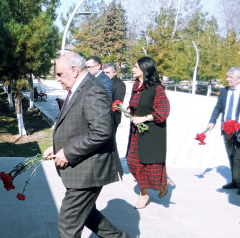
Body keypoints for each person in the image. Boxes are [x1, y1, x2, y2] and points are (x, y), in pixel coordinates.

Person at [42, 52, 127, 237]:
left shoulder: (93, 89)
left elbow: (102, 132)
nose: (57, 79)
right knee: (87, 214)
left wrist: (68, 153)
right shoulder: (80, 88)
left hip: (89, 170)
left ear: (74, 70)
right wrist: (58, 148)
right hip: (83, 168)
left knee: (68, 224)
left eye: (59, 74)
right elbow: (80, 127)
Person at [126, 56, 170, 209]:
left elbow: (163, 112)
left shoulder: (157, 88)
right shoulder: (136, 85)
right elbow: (135, 104)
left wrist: (143, 118)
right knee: (132, 162)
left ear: (144, 69)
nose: (132, 69)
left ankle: (144, 194)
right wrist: (128, 111)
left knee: (149, 165)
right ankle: (160, 182)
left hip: (152, 132)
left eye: (135, 67)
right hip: (136, 132)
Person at [208, 67, 240, 194]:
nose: (227, 79)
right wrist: (212, 121)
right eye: (227, 77)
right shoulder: (224, 91)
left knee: (238, 158)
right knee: (231, 156)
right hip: (227, 130)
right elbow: (218, 108)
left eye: (230, 77)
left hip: (239, 131)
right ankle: (235, 181)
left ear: (238, 79)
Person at [104, 63, 126, 133]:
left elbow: (117, 102)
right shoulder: (101, 82)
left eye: (107, 72)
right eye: (103, 72)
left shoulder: (119, 85)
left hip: (112, 117)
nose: (105, 75)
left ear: (114, 73)